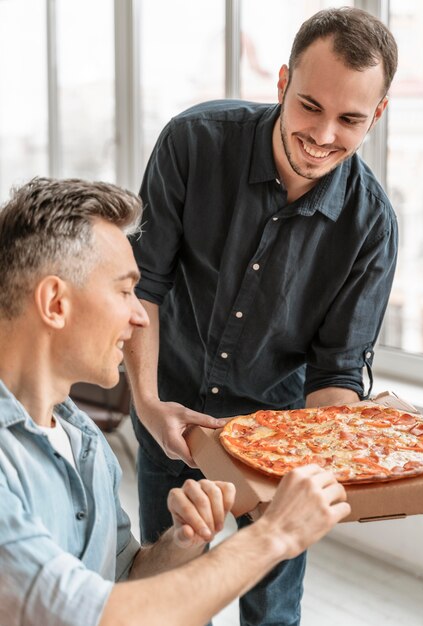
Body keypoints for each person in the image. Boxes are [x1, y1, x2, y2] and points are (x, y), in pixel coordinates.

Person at [124, 7, 399, 626]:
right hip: (170, 412)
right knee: (168, 591)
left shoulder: (372, 225)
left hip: (280, 441)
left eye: (351, 119)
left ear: (376, 116)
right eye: (309, 106)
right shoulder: (193, 142)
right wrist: (144, 400)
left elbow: (337, 370)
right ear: (281, 83)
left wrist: (312, 474)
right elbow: (143, 286)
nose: (324, 135)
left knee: (273, 609)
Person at [0, 176, 350, 626]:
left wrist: (182, 543)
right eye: (125, 291)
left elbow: (124, 580)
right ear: (55, 302)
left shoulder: (83, 439)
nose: (140, 316)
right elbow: (91, 615)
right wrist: (274, 534)